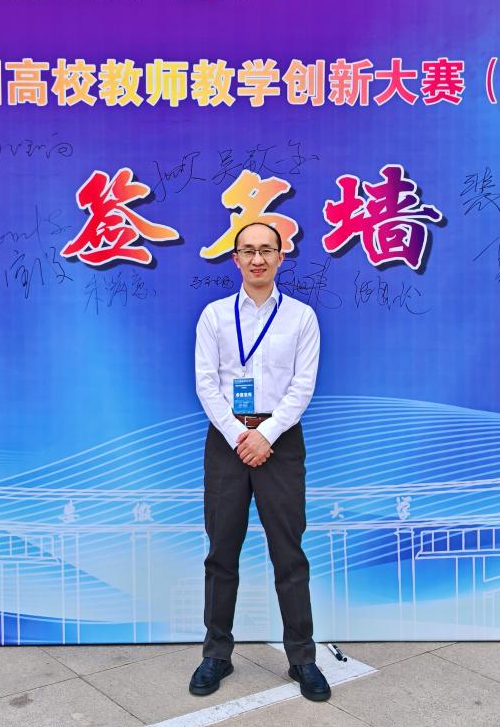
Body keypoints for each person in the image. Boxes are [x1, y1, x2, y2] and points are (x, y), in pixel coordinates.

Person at [188, 221, 330, 702]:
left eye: (266, 250)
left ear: (281, 257)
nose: (257, 259)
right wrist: (239, 435)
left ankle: (302, 658)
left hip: (280, 442)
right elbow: (206, 383)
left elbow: (302, 386)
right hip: (227, 441)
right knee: (221, 552)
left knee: (289, 554)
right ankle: (216, 654)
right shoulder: (214, 316)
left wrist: (265, 435)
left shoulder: (301, 317)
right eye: (248, 250)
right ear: (236, 259)